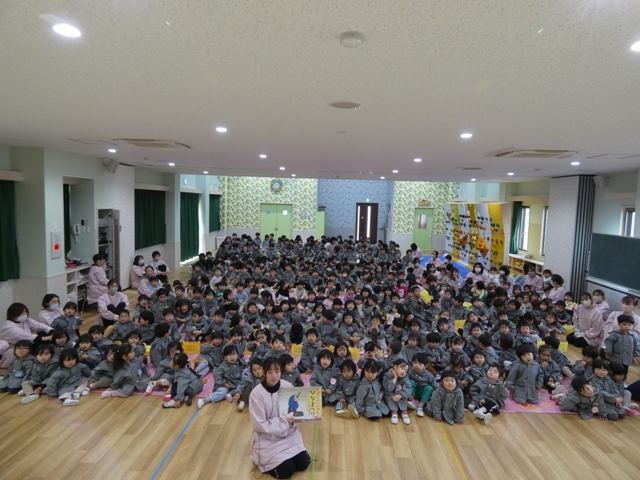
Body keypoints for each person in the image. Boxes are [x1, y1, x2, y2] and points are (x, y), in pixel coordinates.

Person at [248, 357, 311, 479]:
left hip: (288, 435)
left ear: (281, 371)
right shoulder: (256, 394)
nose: (274, 376)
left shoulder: (287, 386)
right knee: (287, 471)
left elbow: (296, 410)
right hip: (268, 440)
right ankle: (260, 457)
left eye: (277, 371)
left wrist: (311, 415)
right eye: (270, 372)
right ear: (264, 373)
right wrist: (284, 421)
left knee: (303, 463)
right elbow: (260, 425)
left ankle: (287, 455)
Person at [0, 303, 52, 368]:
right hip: (14, 349)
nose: (25, 314)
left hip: (27, 344)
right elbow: (25, 336)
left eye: (25, 312)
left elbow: (40, 326)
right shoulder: (7, 327)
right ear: (13, 313)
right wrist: (46, 338)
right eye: (21, 312)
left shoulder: (26, 321)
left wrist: (51, 331)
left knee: (43, 334)